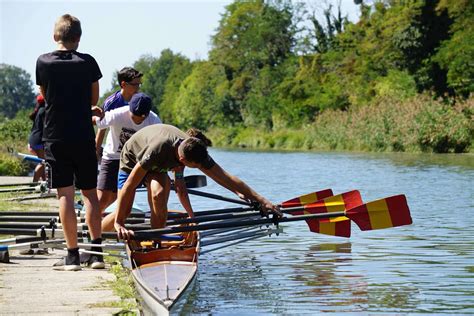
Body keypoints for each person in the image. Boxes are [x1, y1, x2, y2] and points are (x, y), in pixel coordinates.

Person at [107, 124, 281, 239]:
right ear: (182, 160)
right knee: (125, 210)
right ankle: (99, 233)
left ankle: (156, 240)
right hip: (132, 157)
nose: (200, 168)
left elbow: (224, 177)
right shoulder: (158, 149)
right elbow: (130, 185)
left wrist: (261, 200)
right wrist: (119, 222)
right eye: (195, 167)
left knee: (159, 195)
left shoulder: (194, 148)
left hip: (159, 165)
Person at [36, 14, 103, 271]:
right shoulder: (88, 62)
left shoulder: (43, 62)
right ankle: (96, 255)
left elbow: (45, 95)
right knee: (90, 195)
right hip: (83, 135)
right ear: (79, 37)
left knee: (64, 194)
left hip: (55, 136)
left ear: (56, 36)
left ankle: (72, 256)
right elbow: (92, 99)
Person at [93, 92, 162, 230]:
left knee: (127, 209)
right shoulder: (117, 114)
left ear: (147, 114)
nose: (137, 121)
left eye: (140, 119)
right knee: (103, 200)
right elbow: (97, 121)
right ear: (129, 109)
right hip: (112, 157)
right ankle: (92, 227)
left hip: (137, 162)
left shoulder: (154, 121)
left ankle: (156, 231)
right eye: (134, 117)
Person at [95, 67, 143, 160]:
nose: (138, 88)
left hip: (135, 152)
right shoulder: (112, 103)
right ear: (123, 84)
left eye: (139, 84)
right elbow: (102, 128)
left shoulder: (140, 100)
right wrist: (96, 152)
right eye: (135, 85)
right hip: (115, 153)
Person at [28, 94, 46, 182]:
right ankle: (34, 183)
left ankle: (45, 183)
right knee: (43, 162)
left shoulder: (39, 110)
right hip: (39, 140)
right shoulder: (44, 110)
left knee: (43, 161)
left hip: (35, 139)